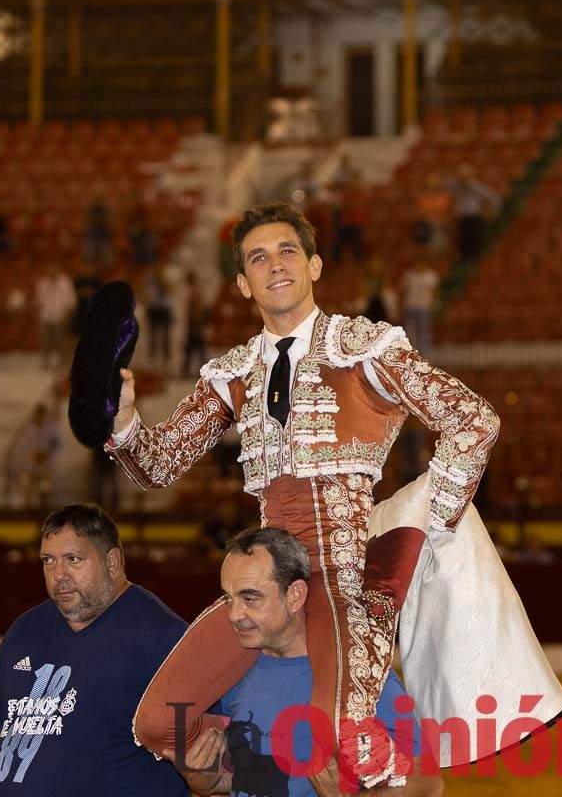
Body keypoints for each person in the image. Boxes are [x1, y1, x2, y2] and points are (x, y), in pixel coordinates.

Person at [108, 202, 502, 782]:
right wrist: (124, 422)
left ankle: (395, 776)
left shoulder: (364, 348)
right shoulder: (235, 372)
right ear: (243, 283)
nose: (276, 266)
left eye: (287, 251)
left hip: (343, 581)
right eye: (258, 258)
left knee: (331, 741)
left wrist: (427, 525)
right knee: (157, 724)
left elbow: (474, 419)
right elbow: (159, 466)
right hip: (266, 583)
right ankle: (262, 750)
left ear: (315, 266)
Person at [0, 504, 189, 797]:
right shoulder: (27, 629)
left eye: (73, 559)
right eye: (48, 560)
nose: (59, 575)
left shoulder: (162, 638)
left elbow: (201, 752)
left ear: (113, 562)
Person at [175, 528, 441, 797]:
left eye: (250, 599)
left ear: (295, 596)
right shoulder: (234, 670)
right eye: (228, 598)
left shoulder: (357, 674)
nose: (233, 614)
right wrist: (208, 784)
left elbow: (428, 785)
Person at [447, 166, 500, 264]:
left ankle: (476, 260)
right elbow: (445, 182)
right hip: (462, 217)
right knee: (463, 239)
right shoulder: (455, 186)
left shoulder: (477, 187)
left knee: (475, 238)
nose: (463, 179)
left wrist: (490, 211)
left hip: (474, 216)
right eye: (461, 176)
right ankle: (464, 259)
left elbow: (494, 198)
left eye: (465, 176)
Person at [34, 262, 77, 370]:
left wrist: (67, 316)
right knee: (45, 341)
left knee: (61, 341)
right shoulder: (42, 283)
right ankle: (46, 362)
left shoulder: (65, 282)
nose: (52, 271)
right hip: (45, 316)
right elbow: (38, 300)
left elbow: (72, 301)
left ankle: (63, 363)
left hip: (61, 316)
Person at [399, 259, 441, 356]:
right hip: (410, 307)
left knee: (424, 333)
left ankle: (425, 355)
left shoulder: (431, 276)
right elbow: (403, 292)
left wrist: (435, 304)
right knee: (410, 332)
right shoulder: (409, 276)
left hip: (424, 308)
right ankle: (410, 353)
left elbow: (436, 292)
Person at [182, 270, 211, 378]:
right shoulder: (194, 290)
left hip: (195, 322)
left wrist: (196, 320)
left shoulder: (195, 291)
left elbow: (198, 307)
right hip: (194, 321)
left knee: (196, 346)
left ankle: (197, 368)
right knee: (195, 346)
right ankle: (193, 368)